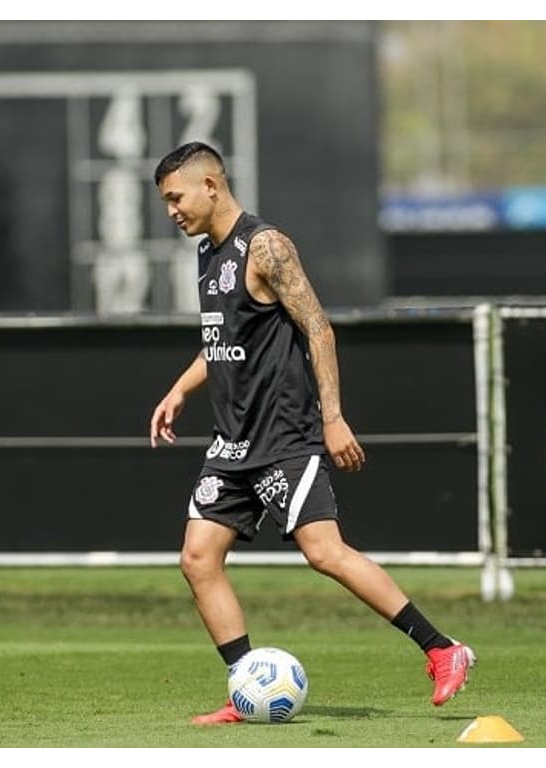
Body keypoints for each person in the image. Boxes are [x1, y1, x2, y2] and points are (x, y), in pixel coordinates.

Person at [149, 141, 475, 725]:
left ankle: (443, 649)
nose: (171, 210)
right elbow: (222, 341)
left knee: (324, 552)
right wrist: (180, 388)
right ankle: (245, 684)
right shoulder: (207, 254)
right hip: (233, 442)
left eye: (175, 197)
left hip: (284, 435)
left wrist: (332, 418)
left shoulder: (265, 247)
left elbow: (319, 329)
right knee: (198, 559)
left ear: (211, 187)